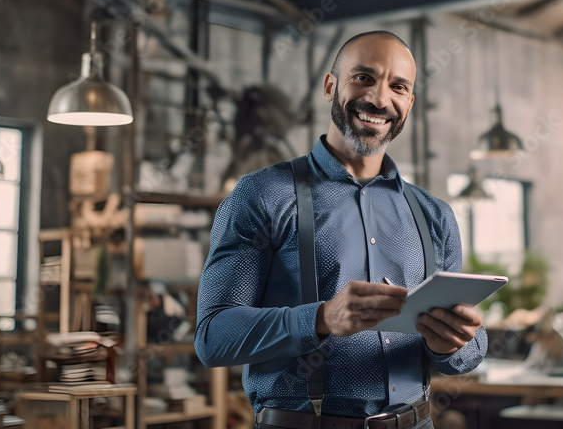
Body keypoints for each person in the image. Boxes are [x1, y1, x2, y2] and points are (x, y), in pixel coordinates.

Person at [195, 30, 486, 429]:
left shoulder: (433, 213)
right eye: (363, 77)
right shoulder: (263, 195)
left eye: (398, 87)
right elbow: (213, 337)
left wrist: (451, 344)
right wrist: (320, 318)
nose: (380, 100)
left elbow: (472, 346)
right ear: (331, 86)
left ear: (409, 103)